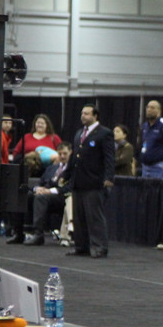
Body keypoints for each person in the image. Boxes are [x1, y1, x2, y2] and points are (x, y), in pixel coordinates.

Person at [62, 105, 115, 258]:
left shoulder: (104, 133)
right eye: (82, 113)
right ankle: (81, 246)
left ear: (95, 116)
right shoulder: (79, 133)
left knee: (94, 217)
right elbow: (74, 157)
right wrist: (66, 174)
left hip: (94, 181)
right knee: (79, 217)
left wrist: (109, 178)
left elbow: (109, 158)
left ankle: (99, 247)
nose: (83, 116)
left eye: (86, 113)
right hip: (79, 181)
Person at [24, 142, 72, 246]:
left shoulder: (73, 169)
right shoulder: (52, 168)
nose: (62, 156)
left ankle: (38, 234)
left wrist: (49, 191)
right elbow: (40, 183)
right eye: (60, 154)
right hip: (46, 195)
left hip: (63, 197)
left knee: (41, 198)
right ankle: (18, 232)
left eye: (65, 153)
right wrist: (38, 188)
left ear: (70, 153)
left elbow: (69, 187)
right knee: (27, 195)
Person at [140, 100, 163, 179]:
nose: (149, 110)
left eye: (152, 108)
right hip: (145, 167)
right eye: (148, 107)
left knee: (160, 190)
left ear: (159, 111)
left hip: (160, 167)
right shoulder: (145, 126)